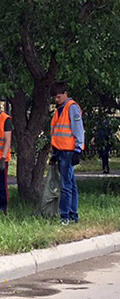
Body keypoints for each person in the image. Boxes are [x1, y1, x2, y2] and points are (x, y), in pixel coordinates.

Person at [49, 82, 85, 225]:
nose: (56, 100)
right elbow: (57, 133)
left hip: (69, 151)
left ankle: (65, 216)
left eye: (58, 97)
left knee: (66, 185)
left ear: (65, 94)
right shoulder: (60, 109)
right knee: (71, 184)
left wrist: (78, 150)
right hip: (61, 151)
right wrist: (54, 152)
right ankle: (73, 214)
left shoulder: (72, 108)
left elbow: (78, 129)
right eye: (54, 98)